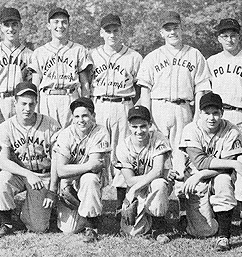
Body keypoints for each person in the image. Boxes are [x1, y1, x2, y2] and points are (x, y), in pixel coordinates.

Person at [137, 11, 211, 176]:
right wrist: (146, 117)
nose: (172, 32)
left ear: (181, 29)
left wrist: (197, 115)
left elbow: (201, 88)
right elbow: (145, 90)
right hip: (158, 108)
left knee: (182, 155)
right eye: (167, 29)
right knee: (155, 154)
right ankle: (153, 197)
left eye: (175, 28)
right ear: (161, 33)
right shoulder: (152, 57)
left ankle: (182, 196)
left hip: (183, 109)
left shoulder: (195, 55)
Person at [176, 92, 242, 251]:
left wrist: (204, 174)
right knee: (203, 231)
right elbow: (201, 162)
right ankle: (209, 214)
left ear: (222, 113)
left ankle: (224, 236)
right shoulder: (191, 129)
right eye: (207, 113)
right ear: (200, 114)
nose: (211, 117)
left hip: (212, 175)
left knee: (223, 182)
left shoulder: (231, 130)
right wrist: (233, 164)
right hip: (195, 178)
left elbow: (228, 167)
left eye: (216, 113)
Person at [206, 18, 242, 228]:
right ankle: (219, 207)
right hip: (218, 115)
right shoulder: (212, 61)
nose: (229, 39)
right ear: (219, 38)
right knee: (218, 160)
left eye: (233, 35)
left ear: (239, 36)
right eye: (225, 35)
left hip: (240, 113)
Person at [0, 82, 62, 237]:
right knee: (1, 180)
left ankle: (28, 212)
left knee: (38, 228)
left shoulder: (51, 125)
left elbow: (58, 161)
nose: (27, 109)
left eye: (31, 104)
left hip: (43, 175)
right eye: (23, 104)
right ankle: (6, 223)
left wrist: (52, 190)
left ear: (36, 103)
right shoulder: (5, 127)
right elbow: (3, 161)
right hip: (19, 174)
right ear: (15, 103)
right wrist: (27, 174)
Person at [89, 13, 143, 215]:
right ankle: (96, 204)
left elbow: (140, 87)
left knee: (122, 152)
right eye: (108, 31)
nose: (112, 34)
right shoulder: (92, 55)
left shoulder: (134, 57)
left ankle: (121, 204)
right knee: (99, 152)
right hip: (100, 105)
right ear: (101, 33)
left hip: (123, 105)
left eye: (116, 30)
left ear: (122, 31)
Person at [52, 97, 111, 242]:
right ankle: (89, 213)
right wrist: (87, 166)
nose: (81, 120)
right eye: (77, 116)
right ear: (72, 118)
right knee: (70, 230)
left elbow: (95, 166)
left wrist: (80, 169)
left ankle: (92, 227)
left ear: (93, 116)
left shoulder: (101, 132)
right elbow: (60, 171)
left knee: (89, 179)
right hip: (70, 181)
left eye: (85, 115)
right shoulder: (66, 134)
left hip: (90, 178)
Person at [117, 106, 172, 243]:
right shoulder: (123, 146)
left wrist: (159, 174)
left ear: (150, 125)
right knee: (132, 233)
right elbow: (129, 181)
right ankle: (145, 217)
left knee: (159, 184)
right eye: (135, 127)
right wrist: (160, 174)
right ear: (129, 126)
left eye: (143, 126)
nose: (139, 131)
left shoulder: (159, 138)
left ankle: (158, 227)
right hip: (136, 188)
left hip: (152, 186)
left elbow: (158, 170)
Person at [29, 7, 92, 127]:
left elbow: (85, 84)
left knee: (72, 138)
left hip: (71, 98)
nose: (60, 26)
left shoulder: (78, 50)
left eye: (64, 22)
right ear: (48, 25)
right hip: (48, 98)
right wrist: (35, 110)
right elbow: (35, 85)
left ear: (68, 25)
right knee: (48, 137)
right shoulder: (40, 52)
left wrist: (85, 106)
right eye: (56, 22)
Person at [0, 7, 33, 128]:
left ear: (20, 26)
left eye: (14, 24)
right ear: (1, 27)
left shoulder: (30, 55)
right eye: (6, 25)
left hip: (19, 103)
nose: (11, 29)